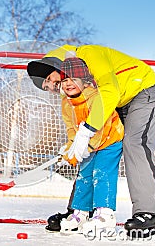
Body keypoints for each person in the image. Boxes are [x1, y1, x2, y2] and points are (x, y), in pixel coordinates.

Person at [27, 44, 155, 237]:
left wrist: (87, 130)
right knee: (89, 155)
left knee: (134, 144)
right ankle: (79, 211)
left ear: (57, 67)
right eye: (47, 87)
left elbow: (109, 91)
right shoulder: (71, 87)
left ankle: (149, 214)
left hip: (140, 90)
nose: (52, 87)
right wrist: (72, 147)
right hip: (115, 100)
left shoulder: (90, 55)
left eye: (50, 79)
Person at [57, 57, 124, 235]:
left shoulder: (96, 97)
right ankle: (80, 214)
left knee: (101, 173)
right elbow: (71, 128)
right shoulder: (66, 103)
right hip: (89, 144)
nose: (68, 84)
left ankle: (105, 214)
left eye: (73, 79)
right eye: (64, 80)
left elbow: (102, 127)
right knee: (84, 176)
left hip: (110, 140)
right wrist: (71, 149)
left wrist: (87, 147)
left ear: (85, 82)